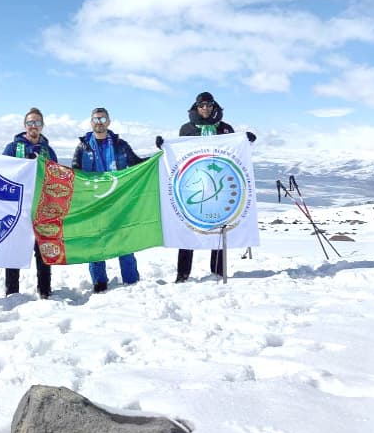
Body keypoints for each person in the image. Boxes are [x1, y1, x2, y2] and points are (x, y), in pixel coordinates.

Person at [159, 91, 256, 282]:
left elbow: (233, 151)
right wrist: (164, 146)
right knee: (189, 227)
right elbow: (180, 154)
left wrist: (247, 141)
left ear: (214, 106)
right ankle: (183, 274)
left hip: (220, 184)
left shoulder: (226, 128)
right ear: (196, 107)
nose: (205, 109)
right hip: (194, 184)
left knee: (220, 227)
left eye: (209, 105)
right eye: (202, 105)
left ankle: (218, 272)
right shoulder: (187, 129)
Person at [71, 107, 144, 293]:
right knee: (95, 242)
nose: (99, 123)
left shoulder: (120, 145)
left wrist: (160, 155)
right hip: (93, 203)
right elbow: (74, 173)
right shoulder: (83, 147)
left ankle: (131, 281)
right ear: (91, 123)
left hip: (118, 201)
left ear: (109, 122)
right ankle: (99, 283)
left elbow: (138, 164)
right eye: (96, 119)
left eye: (103, 119)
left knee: (123, 241)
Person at [1, 107, 58, 299]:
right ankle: (12, 292)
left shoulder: (48, 150)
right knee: (14, 250)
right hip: (17, 207)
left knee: (43, 250)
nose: (34, 126)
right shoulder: (12, 147)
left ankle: (45, 290)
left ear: (42, 126)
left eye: (38, 123)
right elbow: (1, 173)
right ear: (25, 125)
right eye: (30, 123)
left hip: (42, 208)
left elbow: (57, 177)